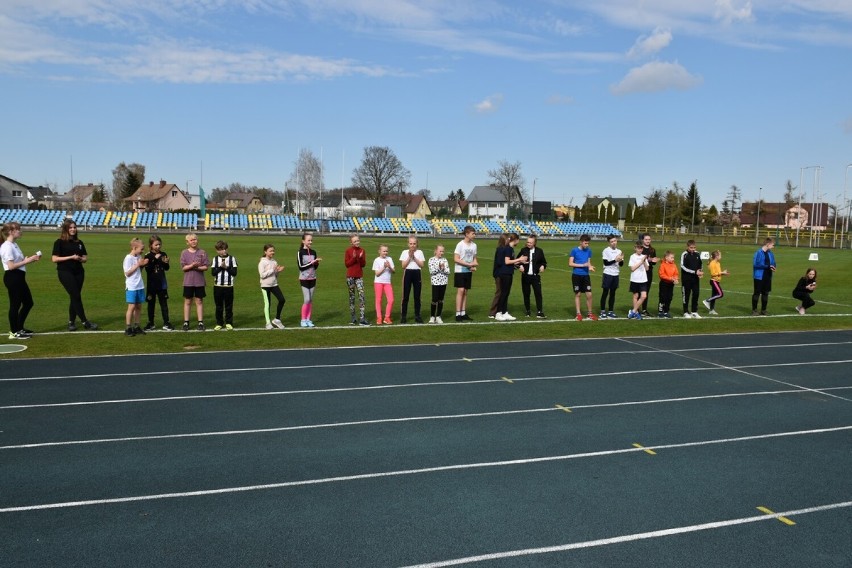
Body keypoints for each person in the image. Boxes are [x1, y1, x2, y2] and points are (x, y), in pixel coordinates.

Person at [51, 220, 97, 331]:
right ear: (66, 229)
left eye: (74, 227)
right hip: (65, 272)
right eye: (70, 228)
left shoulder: (79, 242)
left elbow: (85, 258)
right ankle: (85, 321)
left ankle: (71, 322)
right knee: (76, 296)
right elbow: (54, 259)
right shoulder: (59, 242)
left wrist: (80, 258)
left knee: (74, 296)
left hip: (79, 272)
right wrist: (71, 257)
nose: (73, 229)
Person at [1, 222, 39, 339]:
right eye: (18, 229)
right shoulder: (7, 246)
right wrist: (26, 261)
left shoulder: (14, 244)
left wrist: (30, 259)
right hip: (13, 277)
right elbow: (11, 266)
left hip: (18, 277)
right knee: (15, 305)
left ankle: (19, 328)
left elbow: (19, 261)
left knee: (28, 303)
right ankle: (14, 332)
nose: (20, 231)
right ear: (11, 232)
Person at [180, 233, 209, 331]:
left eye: (195, 239)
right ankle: (186, 322)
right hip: (188, 281)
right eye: (191, 240)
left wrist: (197, 267)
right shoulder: (184, 253)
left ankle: (200, 322)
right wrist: (192, 266)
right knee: (188, 301)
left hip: (199, 281)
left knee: (199, 301)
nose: (194, 241)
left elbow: (206, 267)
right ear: (187, 242)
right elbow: (183, 268)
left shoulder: (202, 252)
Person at [494, 232, 526, 321]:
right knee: (504, 293)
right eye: (518, 240)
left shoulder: (509, 249)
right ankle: (499, 313)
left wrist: (519, 262)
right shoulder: (508, 249)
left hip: (507, 272)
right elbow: (507, 261)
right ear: (515, 240)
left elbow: (510, 262)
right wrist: (519, 259)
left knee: (506, 293)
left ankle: (504, 312)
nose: (518, 242)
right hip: (505, 273)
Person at [144, 235, 173, 331]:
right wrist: (155, 259)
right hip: (152, 284)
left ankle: (166, 322)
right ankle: (151, 323)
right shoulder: (148, 255)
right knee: (151, 304)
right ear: (151, 245)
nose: (158, 246)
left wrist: (166, 263)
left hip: (161, 284)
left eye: (159, 244)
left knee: (164, 303)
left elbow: (167, 269)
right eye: (156, 245)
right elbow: (148, 269)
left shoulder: (163, 254)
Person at [517, 234, 547, 318]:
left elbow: (544, 262)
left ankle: (540, 311)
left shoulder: (539, 251)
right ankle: (528, 311)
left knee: (538, 293)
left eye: (530, 242)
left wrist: (542, 266)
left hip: (535, 277)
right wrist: (520, 266)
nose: (528, 244)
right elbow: (517, 261)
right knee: (526, 293)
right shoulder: (523, 250)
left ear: (534, 243)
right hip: (525, 277)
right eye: (527, 242)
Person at [123, 237, 148, 336]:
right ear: (134, 247)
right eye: (141, 249)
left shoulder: (138, 257)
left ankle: (137, 326)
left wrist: (143, 265)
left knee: (138, 306)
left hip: (139, 285)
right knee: (131, 306)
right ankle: (128, 327)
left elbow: (139, 270)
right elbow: (127, 273)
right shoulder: (128, 258)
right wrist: (138, 264)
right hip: (132, 286)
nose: (142, 251)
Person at [569, 234, 597, 321]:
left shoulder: (589, 251)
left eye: (588, 243)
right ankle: (578, 314)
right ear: (581, 242)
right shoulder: (574, 250)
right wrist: (582, 265)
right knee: (578, 294)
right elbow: (570, 263)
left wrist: (590, 266)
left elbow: (588, 262)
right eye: (585, 243)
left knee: (589, 294)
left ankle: (590, 314)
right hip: (576, 275)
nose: (587, 245)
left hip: (586, 276)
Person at [211, 240, 237, 330]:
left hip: (229, 286)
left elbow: (234, 273)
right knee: (219, 306)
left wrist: (226, 267)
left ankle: (229, 322)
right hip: (218, 286)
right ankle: (219, 323)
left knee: (229, 306)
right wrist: (220, 267)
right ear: (217, 250)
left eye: (225, 249)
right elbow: (213, 273)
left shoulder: (232, 259)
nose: (224, 251)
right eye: (221, 249)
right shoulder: (215, 259)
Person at [453, 225, 478, 322]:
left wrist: (474, 265)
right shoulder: (460, 244)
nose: (474, 235)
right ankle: (457, 313)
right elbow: (456, 259)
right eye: (473, 233)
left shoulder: (474, 245)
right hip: (460, 270)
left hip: (468, 271)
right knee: (461, 291)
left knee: (465, 292)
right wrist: (468, 264)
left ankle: (463, 313)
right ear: (467, 234)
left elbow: (474, 258)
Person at [297, 232, 322, 327]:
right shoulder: (300, 252)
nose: (310, 242)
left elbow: (314, 268)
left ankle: (308, 319)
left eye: (311, 240)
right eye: (309, 240)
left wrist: (316, 264)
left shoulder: (313, 252)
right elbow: (301, 267)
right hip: (304, 278)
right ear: (303, 241)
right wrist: (312, 262)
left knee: (310, 300)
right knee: (306, 299)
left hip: (313, 278)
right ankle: (303, 319)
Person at [259, 244, 286, 329]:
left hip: (274, 284)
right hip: (265, 286)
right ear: (265, 252)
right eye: (270, 251)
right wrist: (272, 270)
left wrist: (278, 271)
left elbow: (275, 275)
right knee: (267, 304)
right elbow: (262, 275)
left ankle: (277, 319)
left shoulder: (274, 262)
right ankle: (268, 323)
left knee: (282, 300)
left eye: (273, 251)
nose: (272, 252)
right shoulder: (262, 262)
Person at [344, 234, 369, 325]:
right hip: (350, 276)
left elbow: (363, 265)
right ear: (351, 242)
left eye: (358, 240)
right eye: (355, 241)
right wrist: (354, 258)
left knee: (361, 296)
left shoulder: (362, 250)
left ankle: (362, 318)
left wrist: (360, 258)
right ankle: (353, 317)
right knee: (352, 297)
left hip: (359, 276)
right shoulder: (348, 251)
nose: (357, 242)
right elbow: (347, 264)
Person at [399, 236, 425, 323]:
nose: (412, 245)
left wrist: (414, 258)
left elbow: (421, 265)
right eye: (411, 243)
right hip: (408, 273)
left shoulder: (420, 252)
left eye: (414, 243)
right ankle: (403, 316)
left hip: (417, 273)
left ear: (417, 244)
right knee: (405, 296)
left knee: (417, 296)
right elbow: (403, 266)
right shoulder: (404, 252)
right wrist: (409, 257)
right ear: (408, 244)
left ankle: (417, 315)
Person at [599, 234, 623, 319]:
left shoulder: (619, 251)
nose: (614, 243)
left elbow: (621, 264)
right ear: (609, 243)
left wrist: (620, 260)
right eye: (612, 241)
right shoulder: (606, 251)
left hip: (616, 274)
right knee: (605, 292)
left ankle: (610, 311)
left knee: (613, 293)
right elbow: (606, 263)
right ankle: (602, 311)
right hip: (608, 273)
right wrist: (615, 260)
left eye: (615, 241)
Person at [752, 237, 776, 316]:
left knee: (766, 293)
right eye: (772, 245)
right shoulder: (758, 252)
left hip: (768, 276)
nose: (773, 246)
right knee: (757, 293)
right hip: (759, 276)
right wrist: (768, 266)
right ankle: (754, 310)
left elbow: (773, 262)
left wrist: (773, 267)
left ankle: (763, 310)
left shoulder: (770, 253)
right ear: (768, 244)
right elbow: (756, 264)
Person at [427, 244, 450, 324]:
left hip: (443, 282)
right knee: (434, 299)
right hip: (435, 282)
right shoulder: (431, 260)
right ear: (436, 251)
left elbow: (448, 271)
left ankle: (438, 316)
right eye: (440, 251)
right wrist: (439, 268)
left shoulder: (445, 260)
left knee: (441, 299)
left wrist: (443, 269)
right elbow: (432, 272)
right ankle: (432, 316)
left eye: (443, 251)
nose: (442, 253)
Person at [680, 240, 704, 318]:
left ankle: (694, 311)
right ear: (687, 247)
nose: (693, 249)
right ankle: (686, 311)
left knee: (696, 294)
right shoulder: (684, 254)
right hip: (686, 279)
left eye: (694, 247)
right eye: (691, 247)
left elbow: (700, 264)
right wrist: (694, 272)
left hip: (695, 279)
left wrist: (700, 272)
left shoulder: (697, 254)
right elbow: (683, 266)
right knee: (686, 295)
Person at [372, 244, 395, 324]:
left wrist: (389, 267)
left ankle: (387, 317)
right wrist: (384, 267)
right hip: (378, 282)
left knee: (391, 300)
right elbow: (377, 274)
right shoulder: (376, 260)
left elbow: (393, 271)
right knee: (378, 300)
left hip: (387, 283)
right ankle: (379, 317)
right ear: (379, 251)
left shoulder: (390, 259)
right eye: (384, 251)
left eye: (386, 251)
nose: (385, 252)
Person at [702, 249, 728, 315]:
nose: (721, 256)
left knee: (714, 296)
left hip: (717, 281)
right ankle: (707, 301)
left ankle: (711, 310)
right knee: (720, 294)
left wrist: (723, 273)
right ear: (716, 256)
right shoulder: (712, 263)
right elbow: (713, 274)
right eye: (720, 255)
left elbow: (717, 273)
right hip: (714, 281)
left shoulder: (718, 263)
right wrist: (722, 272)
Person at [627, 241, 649, 320]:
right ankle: (636, 313)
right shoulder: (632, 257)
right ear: (635, 248)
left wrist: (644, 262)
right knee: (635, 296)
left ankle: (633, 311)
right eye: (638, 248)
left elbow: (647, 268)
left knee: (643, 296)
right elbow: (632, 268)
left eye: (641, 249)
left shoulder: (644, 257)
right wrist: (641, 262)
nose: (640, 250)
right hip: (635, 279)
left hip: (643, 279)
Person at [488, 233, 507, 319]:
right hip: (499, 274)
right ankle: (492, 312)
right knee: (499, 292)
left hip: (499, 273)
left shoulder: (502, 249)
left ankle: (500, 310)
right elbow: (499, 262)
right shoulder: (500, 249)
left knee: (501, 292)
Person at [640, 233, 659, 316]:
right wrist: (649, 260)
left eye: (649, 239)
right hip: (641, 272)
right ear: (643, 240)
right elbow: (639, 260)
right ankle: (636, 309)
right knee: (639, 291)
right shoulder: (640, 249)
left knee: (646, 291)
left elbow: (653, 262)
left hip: (649, 272)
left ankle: (644, 310)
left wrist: (654, 261)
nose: (647, 241)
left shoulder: (652, 250)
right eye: (646, 239)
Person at [657, 250, 679, 318]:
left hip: (671, 284)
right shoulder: (662, 265)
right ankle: (660, 312)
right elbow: (661, 275)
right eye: (672, 257)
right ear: (666, 257)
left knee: (669, 297)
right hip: (664, 284)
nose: (673, 259)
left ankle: (666, 311)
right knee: (662, 297)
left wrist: (676, 279)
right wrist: (670, 278)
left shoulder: (674, 265)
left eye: (673, 257)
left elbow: (676, 273)